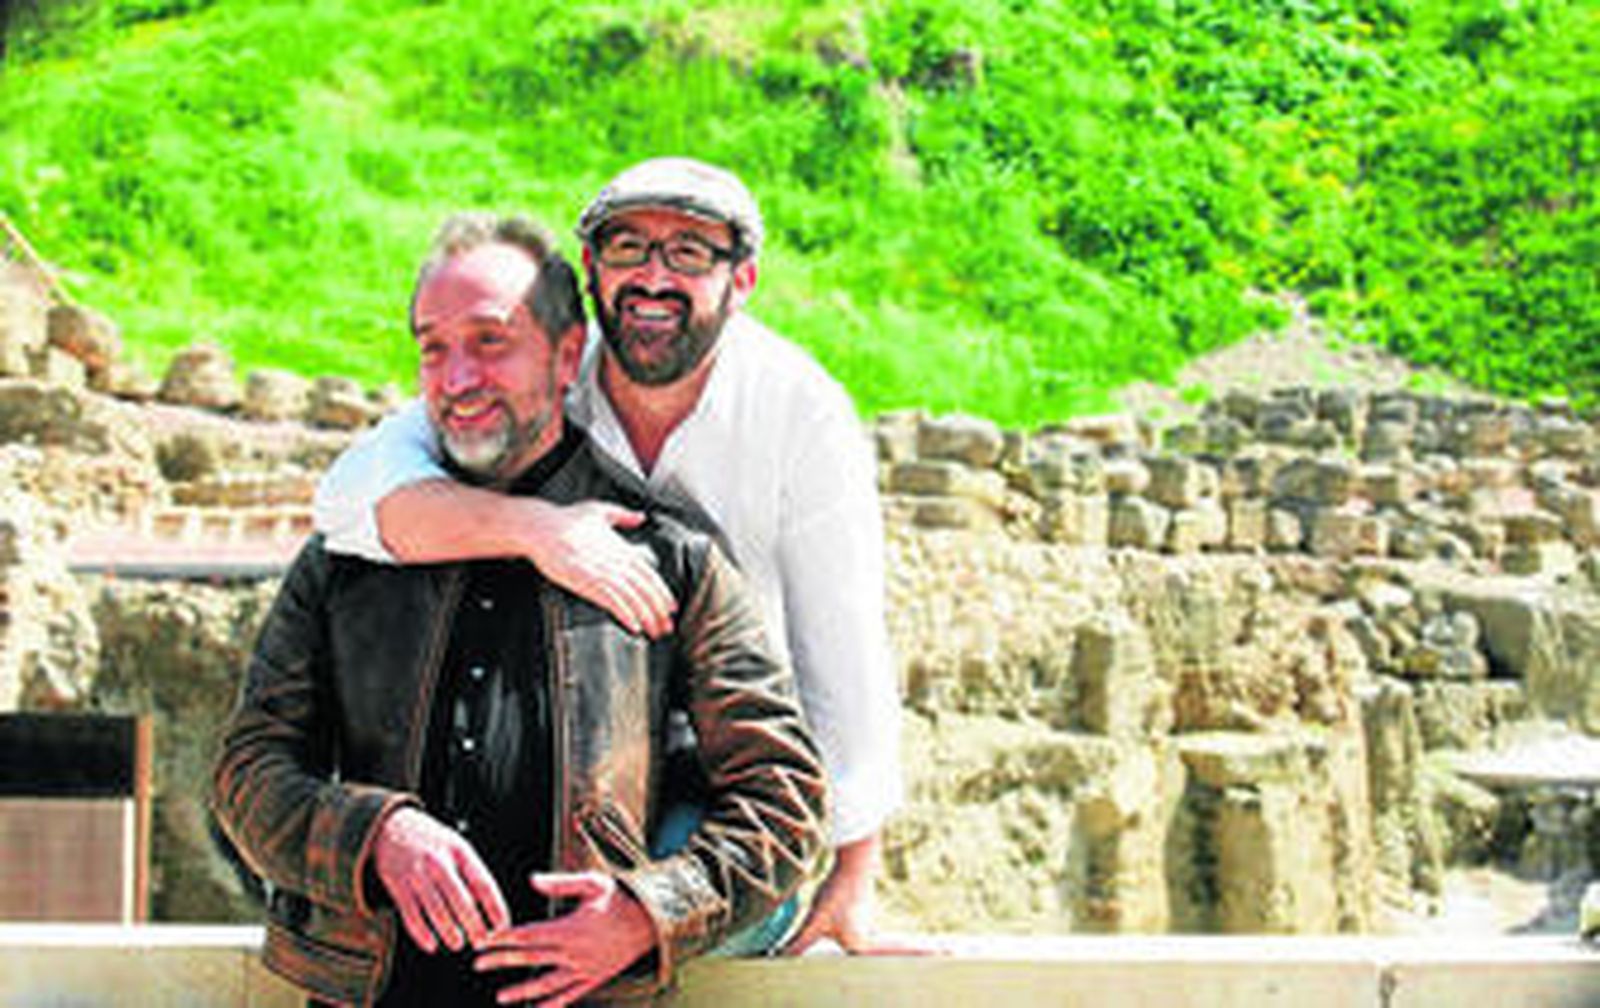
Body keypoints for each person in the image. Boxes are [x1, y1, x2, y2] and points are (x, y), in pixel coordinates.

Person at [213, 213, 828, 1007]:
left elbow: (784, 797)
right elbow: (246, 774)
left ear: (568, 356)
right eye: (433, 347)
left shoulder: (674, 559)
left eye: (489, 341)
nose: (456, 376)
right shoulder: (347, 561)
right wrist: (373, 836)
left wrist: (648, 914)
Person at [313, 157, 904, 954]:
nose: (654, 276)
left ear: (744, 279)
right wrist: (540, 530)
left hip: (722, 767)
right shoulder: (547, 371)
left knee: (666, 917)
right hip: (564, 747)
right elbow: (354, 497)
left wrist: (851, 875)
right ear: (592, 270)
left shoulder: (801, 413)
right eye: (628, 248)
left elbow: (842, 647)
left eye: (690, 252)